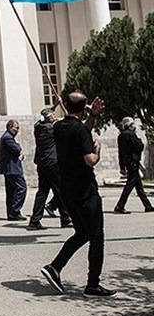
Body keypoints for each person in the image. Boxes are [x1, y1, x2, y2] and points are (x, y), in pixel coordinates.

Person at [41, 92, 116, 298]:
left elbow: (80, 130)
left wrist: (91, 116)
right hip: (84, 190)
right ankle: (93, 284)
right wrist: (97, 149)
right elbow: (90, 159)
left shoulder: (59, 127)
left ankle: (54, 267)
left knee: (83, 232)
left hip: (67, 189)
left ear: (65, 105)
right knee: (97, 235)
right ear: (84, 108)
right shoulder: (80, 130)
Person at [28, 108, 72, 230]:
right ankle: (65, 219)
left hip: (42, 164)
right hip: (52, 164)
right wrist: (68, 116)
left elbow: (44, 119)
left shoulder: (38, 127)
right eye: (52, 115)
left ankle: (35, 219)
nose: (54, 117)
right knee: (60, 191)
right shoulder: (51, 129)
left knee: (42, 192)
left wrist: (55, 105)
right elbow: (66, 124)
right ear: (48, 118)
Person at [113, 116, 154, 214]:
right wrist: (139, 140)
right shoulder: (131, 135)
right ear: (129, 125)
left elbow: (120, 153)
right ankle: (120, 205)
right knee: (130, 184)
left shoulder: (121, 136)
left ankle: (147, 205)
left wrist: (122, 166)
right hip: (133, 162)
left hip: (128, 162)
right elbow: (139, 146)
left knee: (138, 186)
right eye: (133, 124)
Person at [0, 119, 26, 220]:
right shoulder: (8, 138)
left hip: (9, 169)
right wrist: (19, 147)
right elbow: (17, 149)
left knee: (11, 192)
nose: (17, 130)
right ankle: (15, 211)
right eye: (16, 128)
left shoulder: (8, 137)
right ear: (10, 127)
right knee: (21, 188)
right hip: (12, 168)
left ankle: (11, 213)